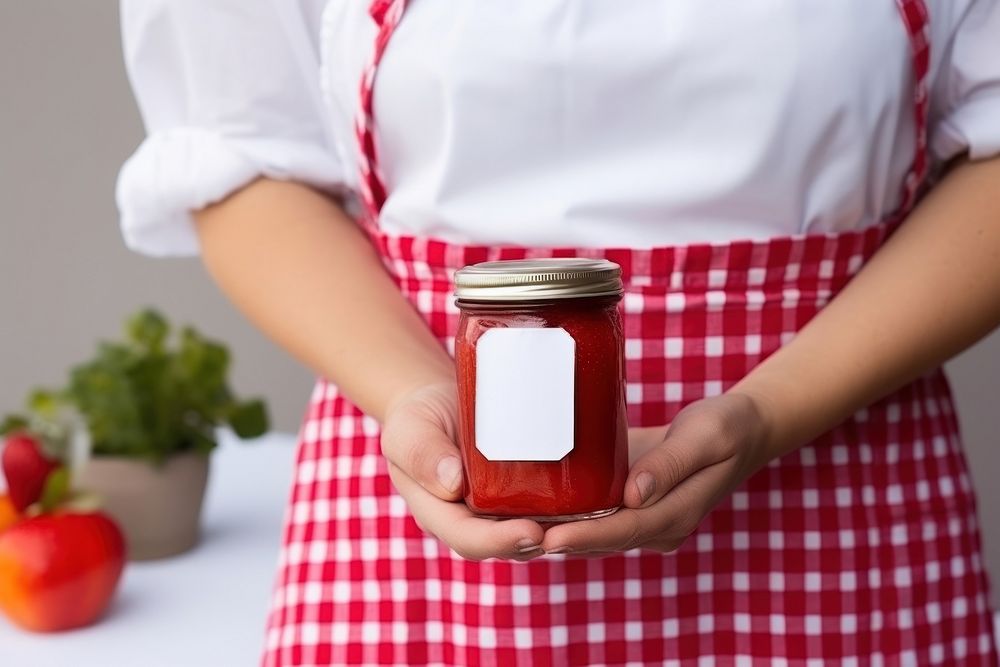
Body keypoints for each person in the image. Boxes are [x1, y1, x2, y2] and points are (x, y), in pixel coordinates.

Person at [117, 1, 1000, 664]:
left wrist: (770, 412)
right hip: (427, 492)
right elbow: (238, 158)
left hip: (834, 479)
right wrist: (413, 393)